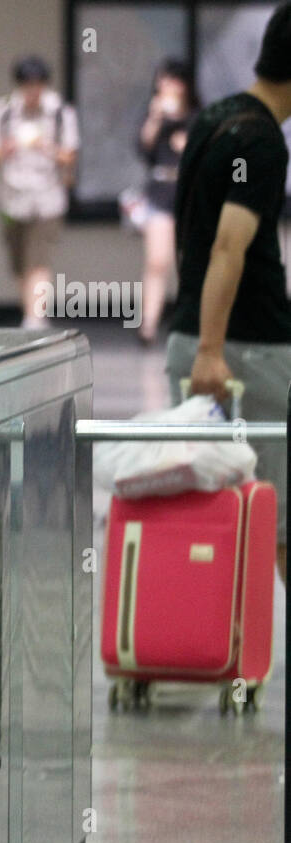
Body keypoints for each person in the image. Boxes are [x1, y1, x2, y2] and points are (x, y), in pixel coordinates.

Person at [166, 0, 291, 583]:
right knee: (281, 524)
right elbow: (227, 246)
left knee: (206, 526)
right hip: (247, 350)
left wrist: (197, 341)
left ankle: (213, 662)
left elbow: (188, 234)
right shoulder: (262, 142)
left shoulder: (214, 118)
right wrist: (214, 351)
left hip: (191, 335)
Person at [0, 55, 80, 328]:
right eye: (27, 84)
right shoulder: (4, 110)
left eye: (37, 84)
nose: (33, 91)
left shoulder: (60, 112)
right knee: (19, 261)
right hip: (12, 197)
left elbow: (70, 155)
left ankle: (35, 318)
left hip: (47, 197)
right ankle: (31, 313)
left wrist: (46, 147)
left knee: (39, 259)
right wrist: (7, 148)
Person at [136, 60, 199, 345]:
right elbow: (142, 148)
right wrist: (155, 117)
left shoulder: (198, 116)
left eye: (174, 80)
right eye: (163, 80)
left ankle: (191, 323)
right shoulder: (155, 116)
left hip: (190, 194)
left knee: (191, 262)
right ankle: (148, 323)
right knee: (157, 260)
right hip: (160, 192)